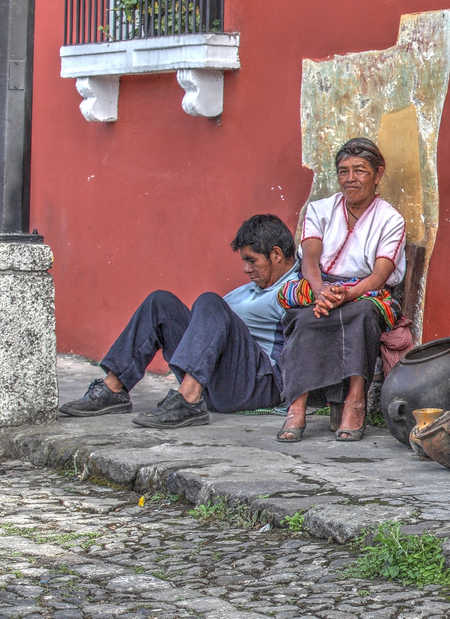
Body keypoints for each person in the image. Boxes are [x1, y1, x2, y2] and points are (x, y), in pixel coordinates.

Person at [59, 214, 301, 428]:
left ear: (276, 254)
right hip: (218, 376)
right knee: (160, 302)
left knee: (209, 301)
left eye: (252, 260)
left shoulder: (296, 289)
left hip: (257, 385)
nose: (246, 269)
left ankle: (187, 399)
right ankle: (114, 388)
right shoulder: (251, 288)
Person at [276, 137, 406, 443]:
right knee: (304, 318)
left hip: (366, 292)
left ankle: (355, 401)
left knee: (360, 316)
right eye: (343, 171)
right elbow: (309, 259)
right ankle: (296, 407)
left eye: (360, 170)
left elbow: (380, 275)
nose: (350, 179)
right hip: (321, 286)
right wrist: (321, 291)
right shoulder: (319, 210)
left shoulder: (390, 219)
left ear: (378, 173)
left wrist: (346, 295)